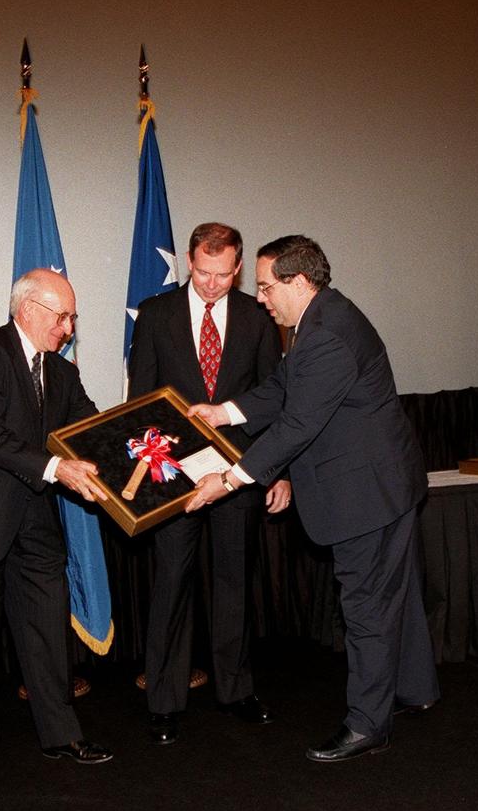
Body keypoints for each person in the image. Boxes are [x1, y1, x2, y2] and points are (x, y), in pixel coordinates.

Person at [186, 235, 439, 762]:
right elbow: (282, 388)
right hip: (384, 481)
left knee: (367, 604)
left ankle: (369, 724)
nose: (260, 299)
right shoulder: (318, 319)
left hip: (366, 492)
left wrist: (230, 480)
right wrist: (224, 412)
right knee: (396, 595)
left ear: (299, 283)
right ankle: (414, 690)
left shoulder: (326, 334)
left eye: (265, 287)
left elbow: (297, 424)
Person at [0, 268, 114, 786]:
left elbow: (91, 430)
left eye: (73, 317)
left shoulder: (62, 372)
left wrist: (145, 444)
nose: (69, 327)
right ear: (29, 310)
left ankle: (61, 734)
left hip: (34, 520)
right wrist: (57, 469)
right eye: (63, 316)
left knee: (47, 633)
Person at [128, 222, 291, 745]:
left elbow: (275, 400)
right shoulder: (155, 314)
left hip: (237, 474)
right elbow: (142, 403)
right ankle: (165, 701)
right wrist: (153, 473)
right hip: (173, 474)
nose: (212, 283)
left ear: (238, 268)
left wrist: (277, 468)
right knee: (172, 583)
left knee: (232, 582)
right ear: (189, 261)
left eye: (224, 275)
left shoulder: (257, 318)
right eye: (203, 272)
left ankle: (236, 690)